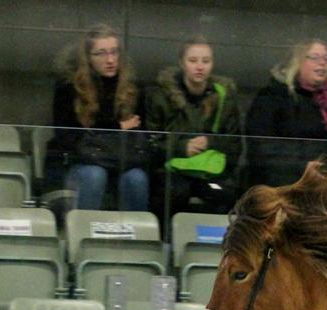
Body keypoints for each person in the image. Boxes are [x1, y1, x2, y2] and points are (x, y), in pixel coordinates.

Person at [244, 40, 327, 195]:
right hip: (286, 186)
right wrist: (302, 166)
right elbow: (261, 143)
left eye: (326, 58)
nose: (322, 63)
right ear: (298, 62)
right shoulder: (274, 96)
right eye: (315, 57)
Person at [49, 23, 150, 211]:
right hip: (81, 161)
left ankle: (135, 237)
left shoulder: (133, 88)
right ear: (88, 58)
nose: (110, 59)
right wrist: (118, 127)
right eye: (101, 53)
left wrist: (99, 133)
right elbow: (67, 136)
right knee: (95, 175)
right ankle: (84, 233)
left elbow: (138, 134)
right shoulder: (68, 88)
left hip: (122, 160)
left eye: (114, 52)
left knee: (137, 179)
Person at [146, 36, 243, 218]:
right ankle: (167, 242)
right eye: (193, 61)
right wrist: (182, 147)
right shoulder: (161, 96)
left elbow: (234, 141)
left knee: (224, 193)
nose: (200, 67)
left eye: (206, 61)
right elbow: (151, 142)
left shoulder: (225, 97)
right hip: (171, 169)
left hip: (212, 172)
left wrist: (210, 141)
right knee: (173, 192)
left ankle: (223, 243)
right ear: (182, 63)